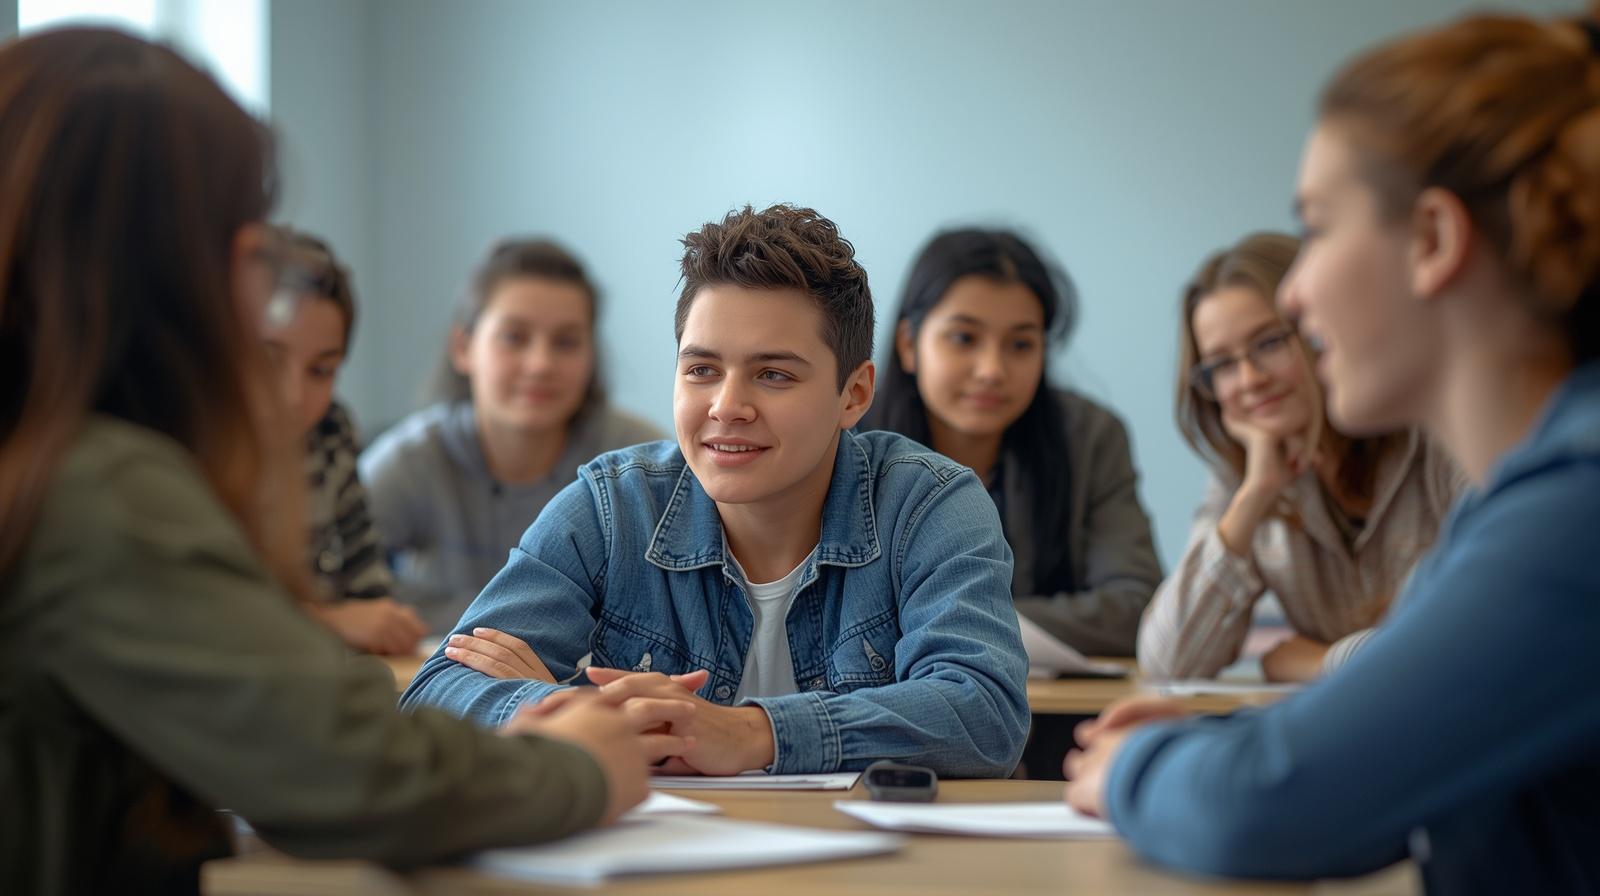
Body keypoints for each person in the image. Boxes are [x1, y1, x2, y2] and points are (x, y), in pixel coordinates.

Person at [0, 28, 689, 895]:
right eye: (248, 247)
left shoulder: (52, 457)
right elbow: (338, 763)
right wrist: (575, 765)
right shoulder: (99, 490)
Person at [1066, 9, 1600, 893]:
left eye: (1315, 228)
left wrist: (1135, 770)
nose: (1296, 295)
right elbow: (1381, 765)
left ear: (1432, 241)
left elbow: (1268, 810)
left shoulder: (1574, 508)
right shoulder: (1522, 499)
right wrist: (1208, 745)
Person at [402, 204, 1030, 778]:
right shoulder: (613, 506)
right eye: (701, 369)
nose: (727, 407)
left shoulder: (930, 505)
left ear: (854, 394)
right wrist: (575, 715)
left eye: (773, 375)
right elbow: (436, 691)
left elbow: (985, 713)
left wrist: (752, 733)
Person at [1138, 232, 1459, 682]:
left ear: (1320, 329)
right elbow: (1167, 663)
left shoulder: (1436, 436)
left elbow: (1476, 637)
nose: (1249, 379)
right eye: (1223, 365)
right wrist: (1254, 495)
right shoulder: (1248, 474)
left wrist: (1322, 663)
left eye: (1269, 343)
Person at [861, 228, 1161, 656]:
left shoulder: (1089, 437)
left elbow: (1136, 606)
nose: (992, 370)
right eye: (964, 338)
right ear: (909, 344)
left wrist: (965, 624)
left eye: (1020, 344)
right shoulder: (847, 443)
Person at [360, 238, 662, 636]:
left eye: (566, 342)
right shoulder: (411, 459)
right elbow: (322, 579)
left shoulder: (638, 462)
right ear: (463, 347)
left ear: (591, 356)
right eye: (514, 337)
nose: (540, 364)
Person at [261, 229, 427, 655]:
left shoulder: (331, 434)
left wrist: (385, 624)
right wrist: (329, 621)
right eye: (268, 360)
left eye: (321, 371)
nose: (294, 395)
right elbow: (195, 617)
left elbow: (366, 585)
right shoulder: (178, 452)